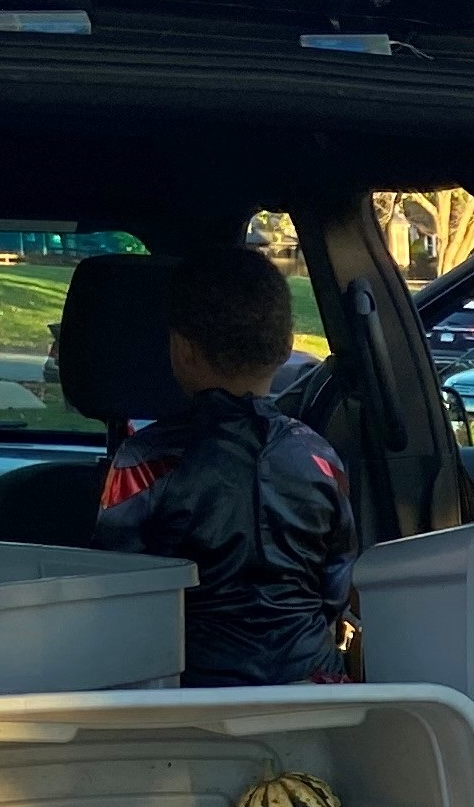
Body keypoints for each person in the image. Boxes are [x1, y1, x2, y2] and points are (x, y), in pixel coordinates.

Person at [96, 246, 358, 685]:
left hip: (192, 693)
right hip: (312, 690)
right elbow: (336, 580)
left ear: (182, 349)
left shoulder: (145, 462)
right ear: (285, 349)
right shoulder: (320, 458)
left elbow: (116, 596)